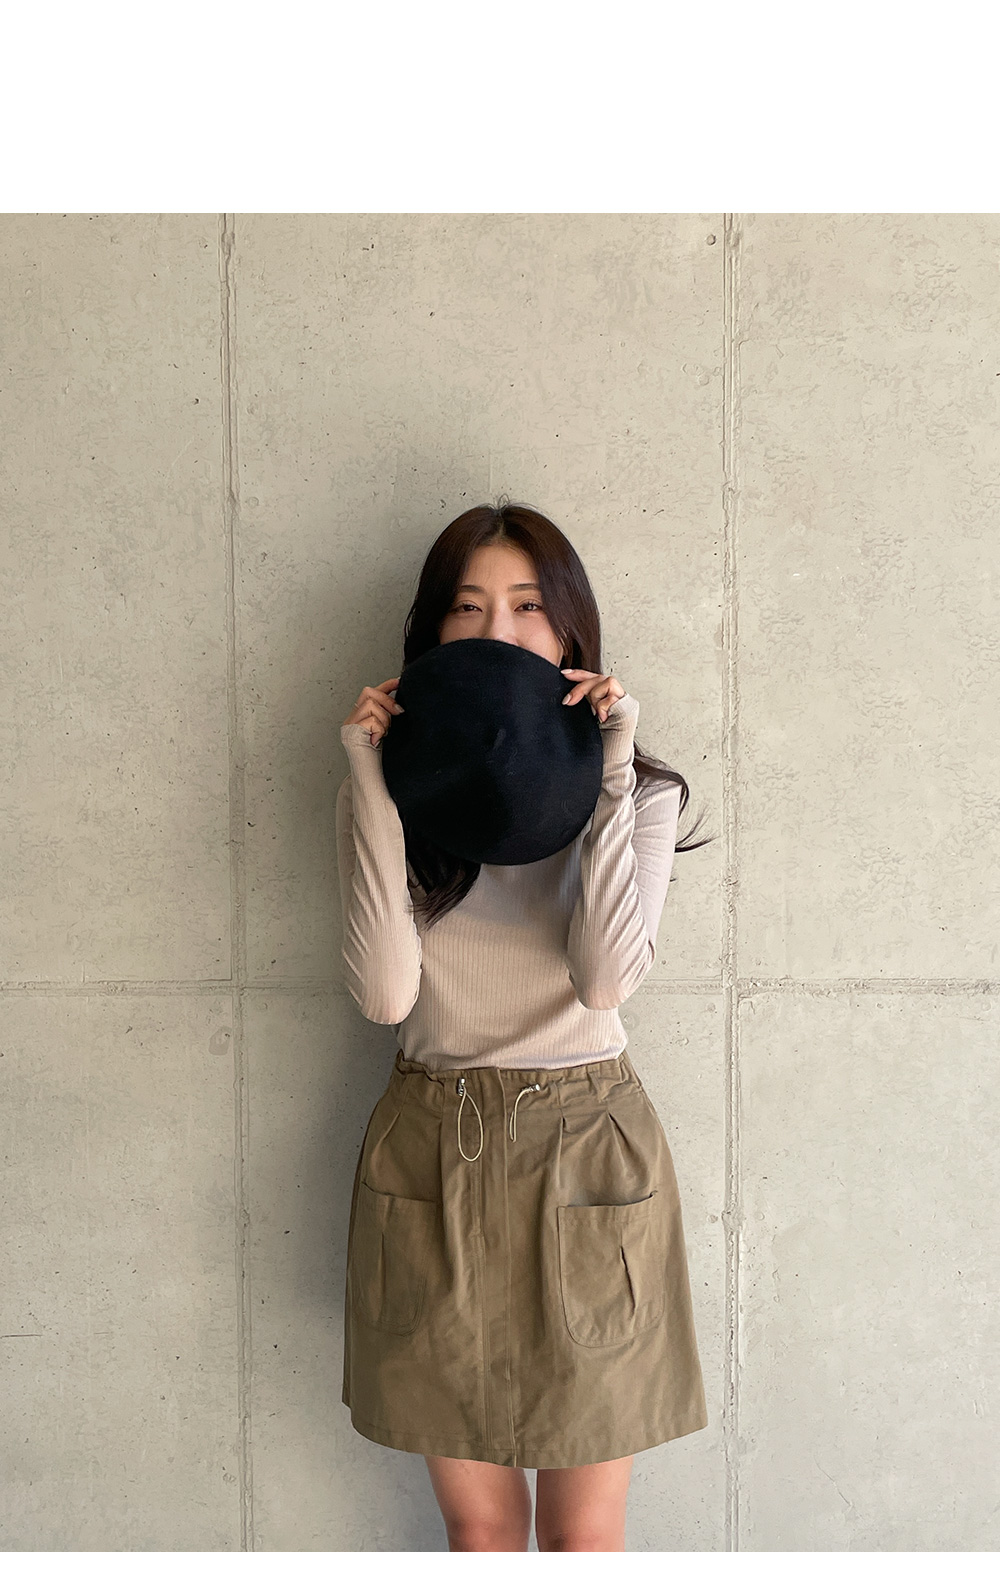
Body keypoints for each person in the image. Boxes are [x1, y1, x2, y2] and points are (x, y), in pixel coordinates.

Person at [336, 499, 711, 1551]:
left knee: (583, 1537)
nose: (497, 630)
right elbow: (385, 996)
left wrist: (608, 769)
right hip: (431, 1142)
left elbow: (603, 979)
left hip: (586, 1148)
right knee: (482, 1534)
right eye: (467, 607)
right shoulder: (394, 795)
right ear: (433, 634)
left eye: (526, 606)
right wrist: (367, 775)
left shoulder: (638, 791)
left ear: (569, 630)